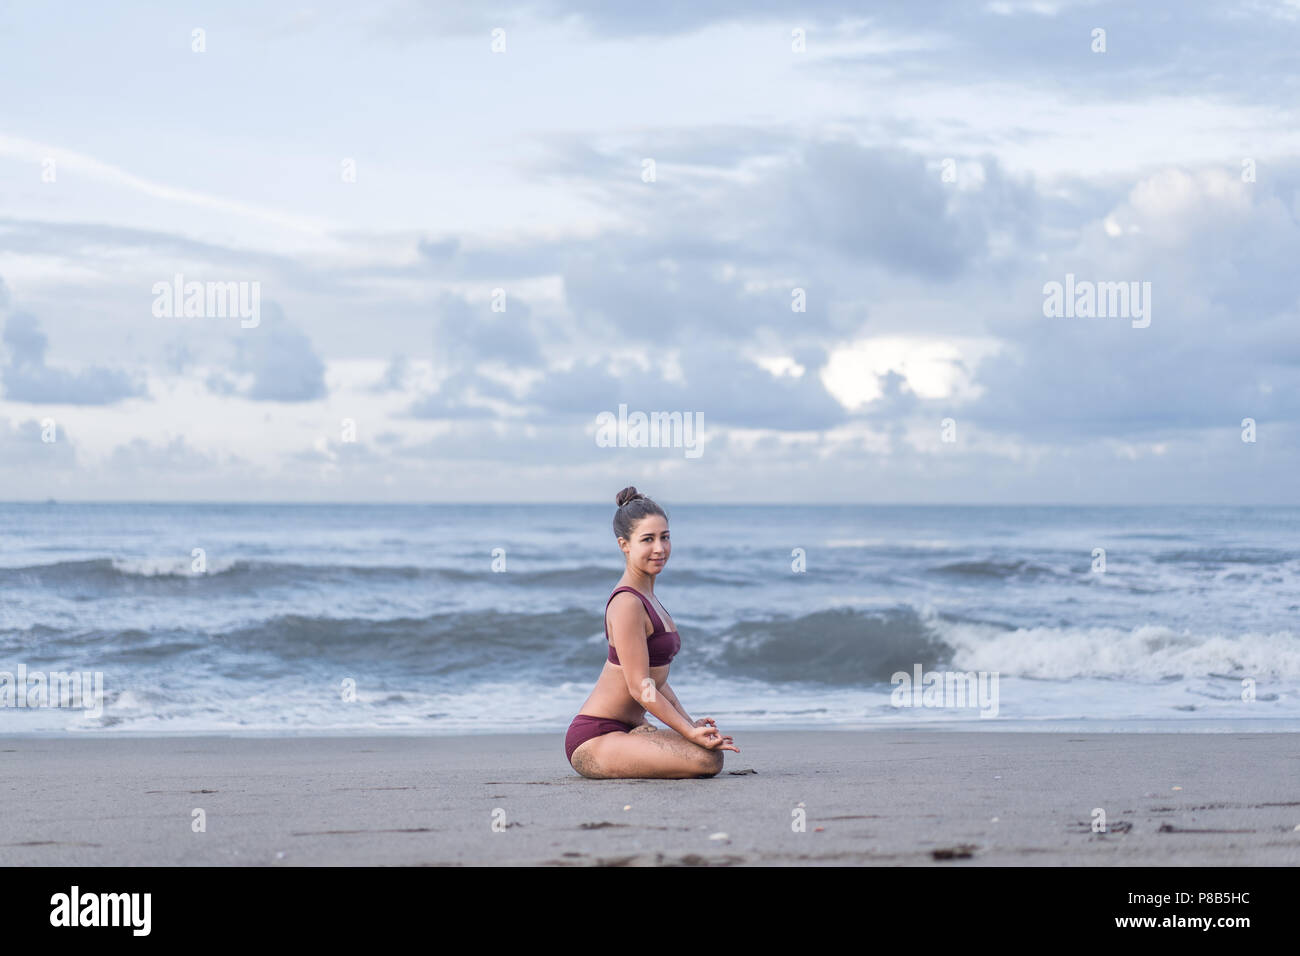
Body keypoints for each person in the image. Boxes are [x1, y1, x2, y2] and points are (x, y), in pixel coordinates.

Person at [564, 486, 740, 778]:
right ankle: (640, 739)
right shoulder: (627, 603)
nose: (659, 548)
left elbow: (658, 681)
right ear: (625, 544)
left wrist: (690, 725)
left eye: (665, 537)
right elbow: (640, 687)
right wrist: (685, 731)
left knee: (709, 752)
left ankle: (642, 736)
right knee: (706, 761)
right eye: (648, 539)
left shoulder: (649, 600)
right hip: (595, 737)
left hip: (630, 728)